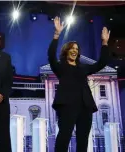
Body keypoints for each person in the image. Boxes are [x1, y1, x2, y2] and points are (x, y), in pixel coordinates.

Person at [48, 17, 110, 152]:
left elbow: (101, 63)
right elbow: (51, 56)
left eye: (76, 48)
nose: (74, 50)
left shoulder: (83, 68)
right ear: (66, 51)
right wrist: (56, 35)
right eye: (71, 48)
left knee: (83, 139)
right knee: (64, 137)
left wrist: (104, 43)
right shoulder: (60, 67)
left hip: (85, 106)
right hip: (67, 106)